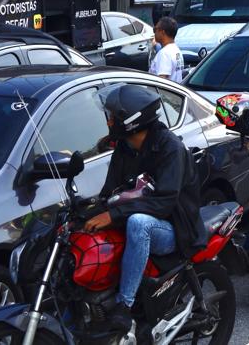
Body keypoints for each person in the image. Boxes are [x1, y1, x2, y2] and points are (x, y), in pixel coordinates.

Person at [86, 84, 207, 332]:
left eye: (113, 117)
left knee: (138, 223)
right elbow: (111, 190)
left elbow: (163, 203)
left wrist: (114, 214)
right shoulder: (125, 147)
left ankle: (124, 306)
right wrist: (91, 210)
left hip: (175, 227)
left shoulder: (170, 148)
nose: (109, 122)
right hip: (147, 218)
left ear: (130, 121)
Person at [150, 16, 184, 83]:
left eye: (155, 29)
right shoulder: (176, 51)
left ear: (162, 32)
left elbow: (162, 81)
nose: (154, 33)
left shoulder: (164, 53)